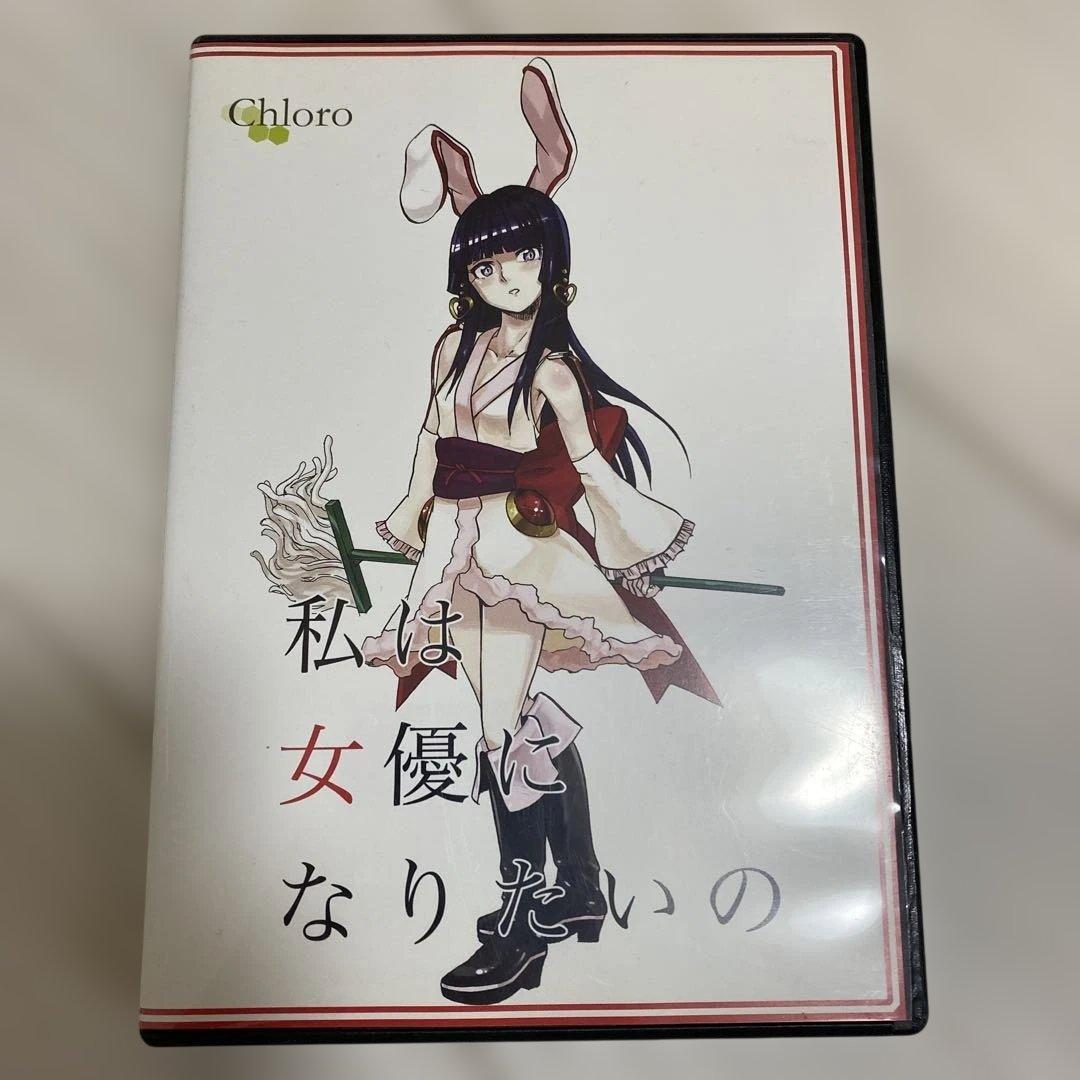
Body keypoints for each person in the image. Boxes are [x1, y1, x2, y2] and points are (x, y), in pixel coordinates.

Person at [359, 60, 715, 1006]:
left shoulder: (553, 369)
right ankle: (581, 888)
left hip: (522, 557)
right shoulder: (453, 347)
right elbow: (431, 438)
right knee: (513, 720)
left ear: (549, 261)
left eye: (518, 259)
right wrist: (411, 517)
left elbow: (591, 471)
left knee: (496, 728)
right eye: (485, 265)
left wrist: (634, 548)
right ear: (466, 274)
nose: (503, 277)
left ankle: (523, 924)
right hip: (456, 551)